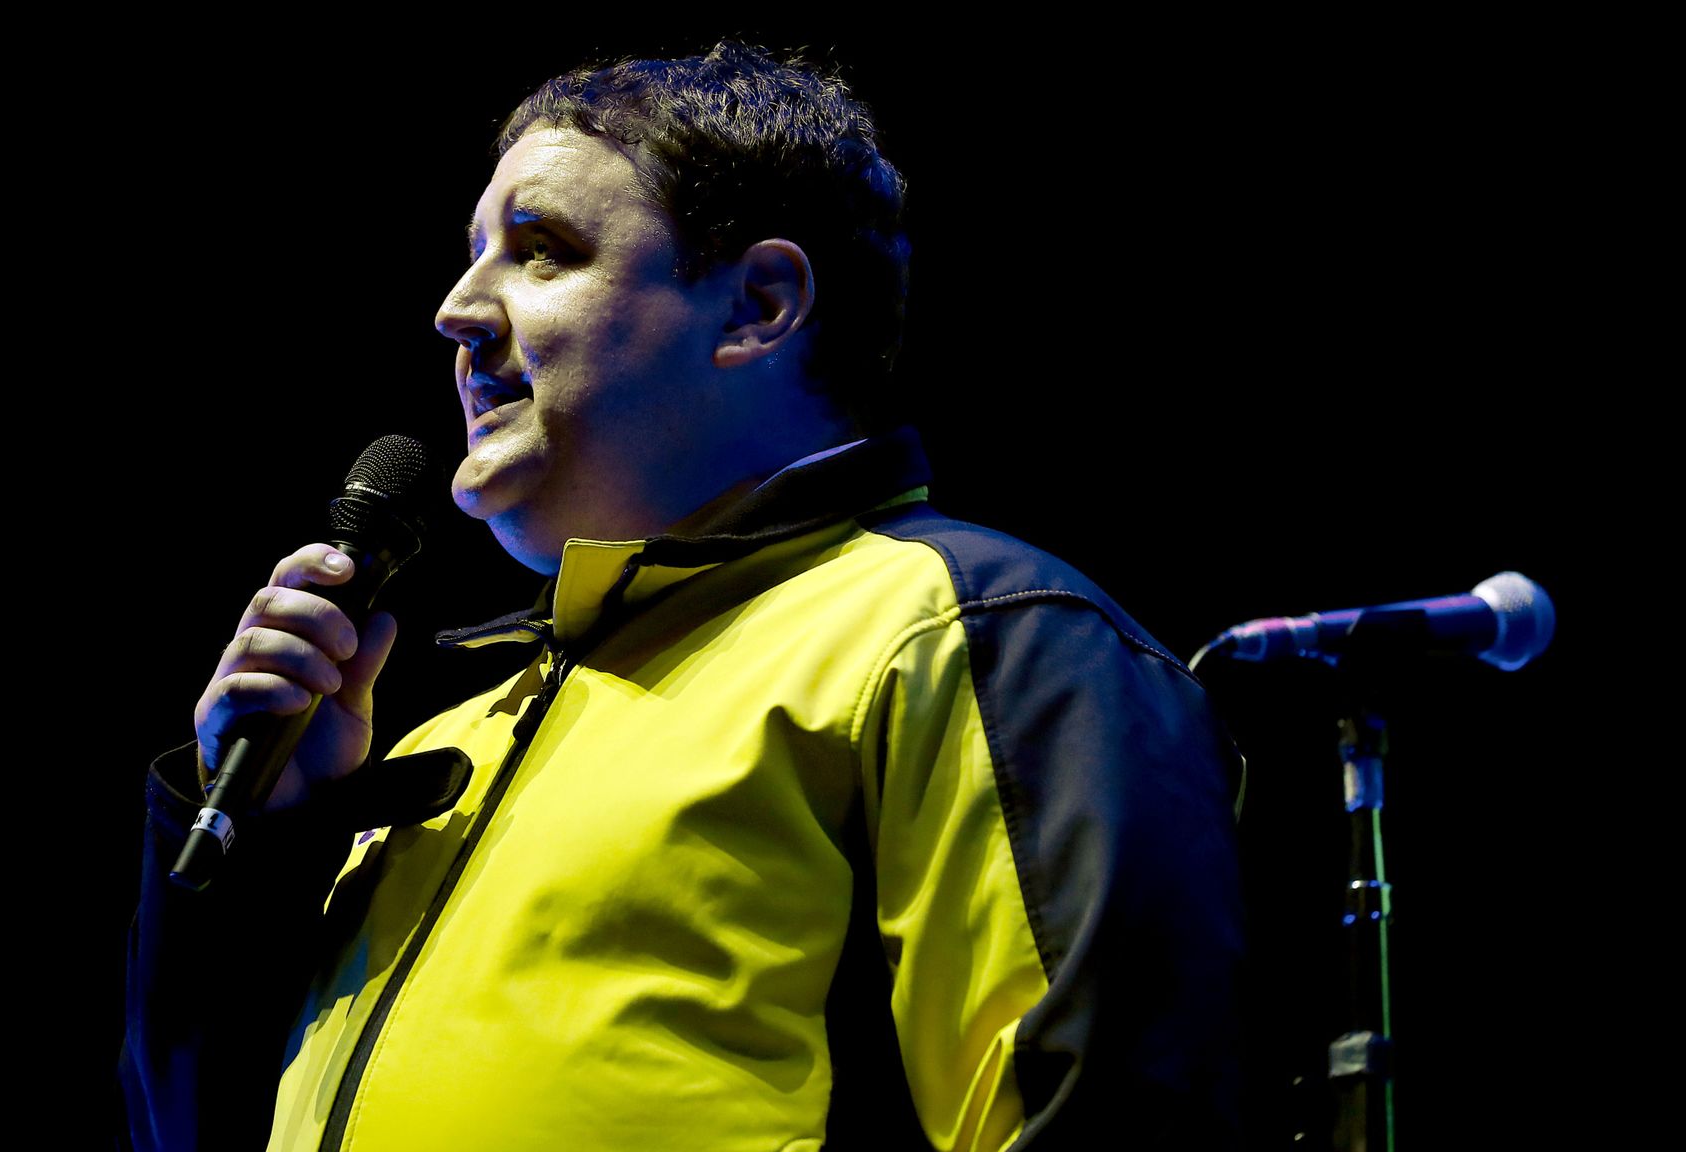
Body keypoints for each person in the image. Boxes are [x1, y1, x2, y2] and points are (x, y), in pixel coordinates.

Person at [119, 41, 1245, 1151]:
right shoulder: (464, 730)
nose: (457, 310)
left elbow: (1112, 1113)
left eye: (541, 252)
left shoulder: (961, 629)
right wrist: (258, 851)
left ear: (756, 305)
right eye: (472, 255)